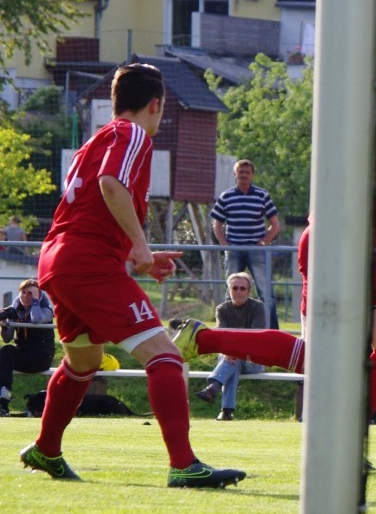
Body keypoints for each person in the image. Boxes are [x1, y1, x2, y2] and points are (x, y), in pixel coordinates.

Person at [175, 35, 376, 431]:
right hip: (342, 247)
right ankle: (344, 435)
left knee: (370, 353)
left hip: (325, 238)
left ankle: (205, 341)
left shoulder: (365, 105)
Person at [22, 63, 245, 487]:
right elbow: (111, 185)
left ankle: (46, 450)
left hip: (58, 260)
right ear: (156, 105)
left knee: (83, 362)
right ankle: (183, 465)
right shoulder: (133, 134)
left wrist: (132, 252)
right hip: (87, 263)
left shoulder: (99, 138)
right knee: (165, 356)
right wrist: (140, 247)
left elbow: (92, 208)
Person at [210, 159, 282, 328]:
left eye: (247, 172)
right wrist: (225, 246)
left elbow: (275, 225)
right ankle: (229, 331)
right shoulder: (226, 196)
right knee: (231, 291)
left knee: (265, 293)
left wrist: (263, 242)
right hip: (234, 249)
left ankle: (272, 332)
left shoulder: (262, 195)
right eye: (240, 172)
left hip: (256, 250)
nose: (244, 175)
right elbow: (217, 225)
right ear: (235, 174)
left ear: (252, 175)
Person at [193, 272, 267, 421]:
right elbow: (221, 336)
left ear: (249, 291)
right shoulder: (222, 309)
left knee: (232, 359)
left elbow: (255, 338)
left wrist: (233, 350)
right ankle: (226, 411)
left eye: (242, 288)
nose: (238, 292)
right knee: (233, 362)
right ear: (229, 290)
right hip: (230, 357)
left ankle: (214, 388)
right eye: (235, 288)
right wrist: (231, 351)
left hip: (254, 359)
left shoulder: (257, 307)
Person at [0, 279, 55, 416]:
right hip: (22, 355)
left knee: (5, 357)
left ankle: (3, 400)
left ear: (37, 295)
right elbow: (8, 338)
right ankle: (3, 396)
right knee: (6, 350)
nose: (25, 296)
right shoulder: (15, 311)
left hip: (40, 358)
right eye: (23, 292)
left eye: (30, 293)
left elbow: (36, 319)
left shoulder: (46, 311)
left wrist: (35, 301)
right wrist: (4, 325)